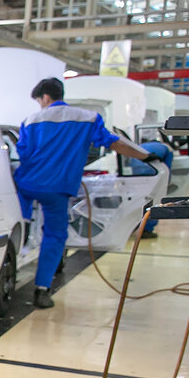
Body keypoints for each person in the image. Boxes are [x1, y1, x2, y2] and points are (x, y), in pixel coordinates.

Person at [14, 78, 165, 309]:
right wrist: (145, 156)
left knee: (18, 227)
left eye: (39, 101)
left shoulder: (30, 120)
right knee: (54, 236)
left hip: (25, 185)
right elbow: (115, 143)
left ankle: (19, 247)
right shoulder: (87, 118)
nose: (40, 106)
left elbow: (22, 153)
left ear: (45, 97)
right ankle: (42, 290)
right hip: (56, 188)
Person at [130, 138, 173, 239]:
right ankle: (147, 229)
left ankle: (132, 227)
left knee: (138, 199)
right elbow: (167, 167)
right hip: (152, 170)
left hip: (136, 169)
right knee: (154, 200)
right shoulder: (167, 148)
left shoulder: (141, 146)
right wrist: (167, 182)